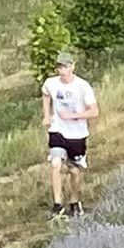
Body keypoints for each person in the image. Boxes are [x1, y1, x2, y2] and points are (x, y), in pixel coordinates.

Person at [42, 52, 98, 218]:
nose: (62, 70)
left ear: (72, 67)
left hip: (77, 134)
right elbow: (45, 95)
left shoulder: (82, 86)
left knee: (74, 170)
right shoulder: (51, 83)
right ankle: (57, 204)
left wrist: (73, 116)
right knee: (55, 164)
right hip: (57, 130)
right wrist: (46, 115)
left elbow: (94, 111)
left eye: (65, 66)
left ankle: (75, 200)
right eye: (60, 66)